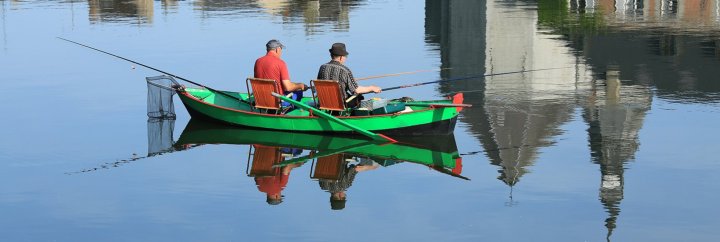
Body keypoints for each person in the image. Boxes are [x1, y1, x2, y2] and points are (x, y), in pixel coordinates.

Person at [317, 43, 381, 108]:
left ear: (331, 55)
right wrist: (372, 88)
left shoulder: (322, 67)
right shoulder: (345, 70)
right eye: (345, 56)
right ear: (341, 57)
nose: (345, 58)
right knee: (359, 97)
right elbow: (357, 90)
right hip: (341, 104)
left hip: (324, 102)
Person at [254, 39, 308, 106]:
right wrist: (300, 85)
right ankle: (289, 112)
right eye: (281, 49)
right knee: (299, 92)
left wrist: (295, 84)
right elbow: (288, 87)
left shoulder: (258, 61)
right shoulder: (280, 63)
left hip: (260, 100)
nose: (281, 52)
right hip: (277, 102)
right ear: (277, 49)